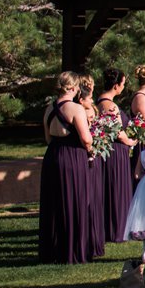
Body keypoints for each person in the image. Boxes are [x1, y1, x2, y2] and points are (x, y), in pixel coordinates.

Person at [38, 71, 104, 264]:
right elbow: (86, 138)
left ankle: (54, 250)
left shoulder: (49, 109)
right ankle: (74, 250)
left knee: (55, 202)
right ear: (74, 88)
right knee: (75, 199)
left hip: (53, 156)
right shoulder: (75, 108)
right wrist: (92, 150)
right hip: (73, 157)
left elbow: (48, 138)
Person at [95, 67, 136, 243]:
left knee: (109, 188)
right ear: (117, 85)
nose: (124, 86)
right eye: (123, 83)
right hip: (116, 151)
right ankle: (117, 229)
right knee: (116, 187)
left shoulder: (98, 101)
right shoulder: (110, 105)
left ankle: (109, 227)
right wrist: (131, 142)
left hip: (109, 151)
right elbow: (118, 132)